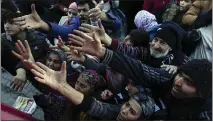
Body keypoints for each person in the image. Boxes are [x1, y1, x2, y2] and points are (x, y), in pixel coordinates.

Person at [64, 30, 212, 120]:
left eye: (189, 82)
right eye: (181, 74)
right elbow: (137, 69)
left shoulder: (203, 114)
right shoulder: (168, 75)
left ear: (200, 94)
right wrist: (102, 52)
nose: (178, 82)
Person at [21, 60, 156, 120]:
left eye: (132, 112)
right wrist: (62, 87)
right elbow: (95, 106)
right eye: (127, 105)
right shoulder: (115, 111)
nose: (124, 111)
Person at [77, 21, 188, 71]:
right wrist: (107, 39)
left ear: (171, 48)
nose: (155, 45)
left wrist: (178, 68)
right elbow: (128, 50)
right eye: (155, 39)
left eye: (163, 43)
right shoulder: (144, 52)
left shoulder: (180, 59)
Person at [1, 9, 48, 76]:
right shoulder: (3, 39)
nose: (6, 26)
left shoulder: (39, 38)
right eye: (5, 22)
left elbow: (47, 57)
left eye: (11, 23)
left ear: (23, 24)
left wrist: (22, 68)